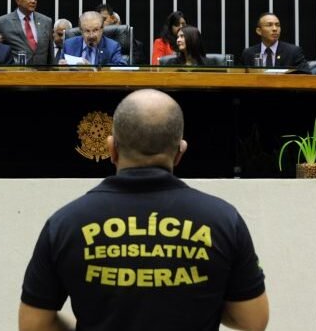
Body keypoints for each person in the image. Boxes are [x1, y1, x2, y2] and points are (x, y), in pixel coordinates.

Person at [19, 89, 268, 331]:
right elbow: (253, 320)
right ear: (180, 152)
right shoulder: (223, 220)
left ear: (111, 149)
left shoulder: (65, 224)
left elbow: (33, 324)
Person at [0, 0, 54, 65]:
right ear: (17, 0)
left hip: (42, 73)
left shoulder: (46, 21)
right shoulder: (2, 22)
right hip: (16, 73)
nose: (33, 1)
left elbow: (50, 52)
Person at [57, 11, 125, 66]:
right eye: (87, 31)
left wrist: (93, 69)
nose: (91, 36)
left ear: (102, 29)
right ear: (81, 30)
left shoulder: (112, 46)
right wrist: (61, 67)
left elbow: (121, 68)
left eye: (95, 30)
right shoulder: (69, 45)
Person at [240, 13, 305, 68]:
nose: (275, 29)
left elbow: (306, 76)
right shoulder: (248, 54)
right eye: (269, 25)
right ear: (259, 31)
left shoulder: (293, 52)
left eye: (277, 25)